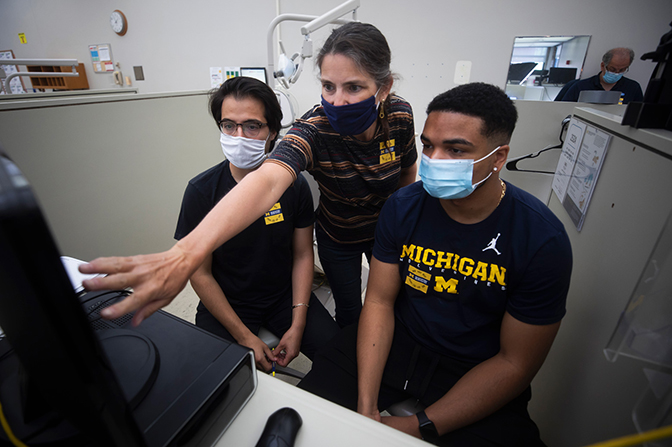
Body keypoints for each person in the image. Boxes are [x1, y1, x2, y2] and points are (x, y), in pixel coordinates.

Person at [79, 22, 418, 329]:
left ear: (383, 87)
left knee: (397, 302)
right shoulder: (313, 130)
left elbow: (406, 173)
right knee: (351, 310)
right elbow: (268, 178)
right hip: (339, 238)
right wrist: (185, 253)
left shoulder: (400, 115)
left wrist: (400, 225)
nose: (338, 101)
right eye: (328, 86)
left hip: (386, 231)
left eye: (354, 87)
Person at [298, 82, 573, 446]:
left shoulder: (540, 240)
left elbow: (514, 362)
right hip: (398, 343)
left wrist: (419, 426)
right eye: (428, 145)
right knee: (309, 420)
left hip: (474, 367)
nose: (434, 160)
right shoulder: (403, 206)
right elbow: (379, 302)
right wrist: (365, 405)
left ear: (498, 157)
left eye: (456, 149)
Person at [175, 76, 338, 372]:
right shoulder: (201, 191)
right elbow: (199, 274)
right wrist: (243, 336)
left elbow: (302, 254)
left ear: (272, 132)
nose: (239, 135)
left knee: (341, 361)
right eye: (229, 125)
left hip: (281, 296)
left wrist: (298, 322)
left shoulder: (294, 186)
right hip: (226, 302)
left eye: (252, 126)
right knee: (210, 384)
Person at [560, 47, 644, 104]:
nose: (617, 73)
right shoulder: (580, 86)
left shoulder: (633, 88)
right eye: (613, 69)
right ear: (603, 66)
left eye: (622, 70)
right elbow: (562, 110)